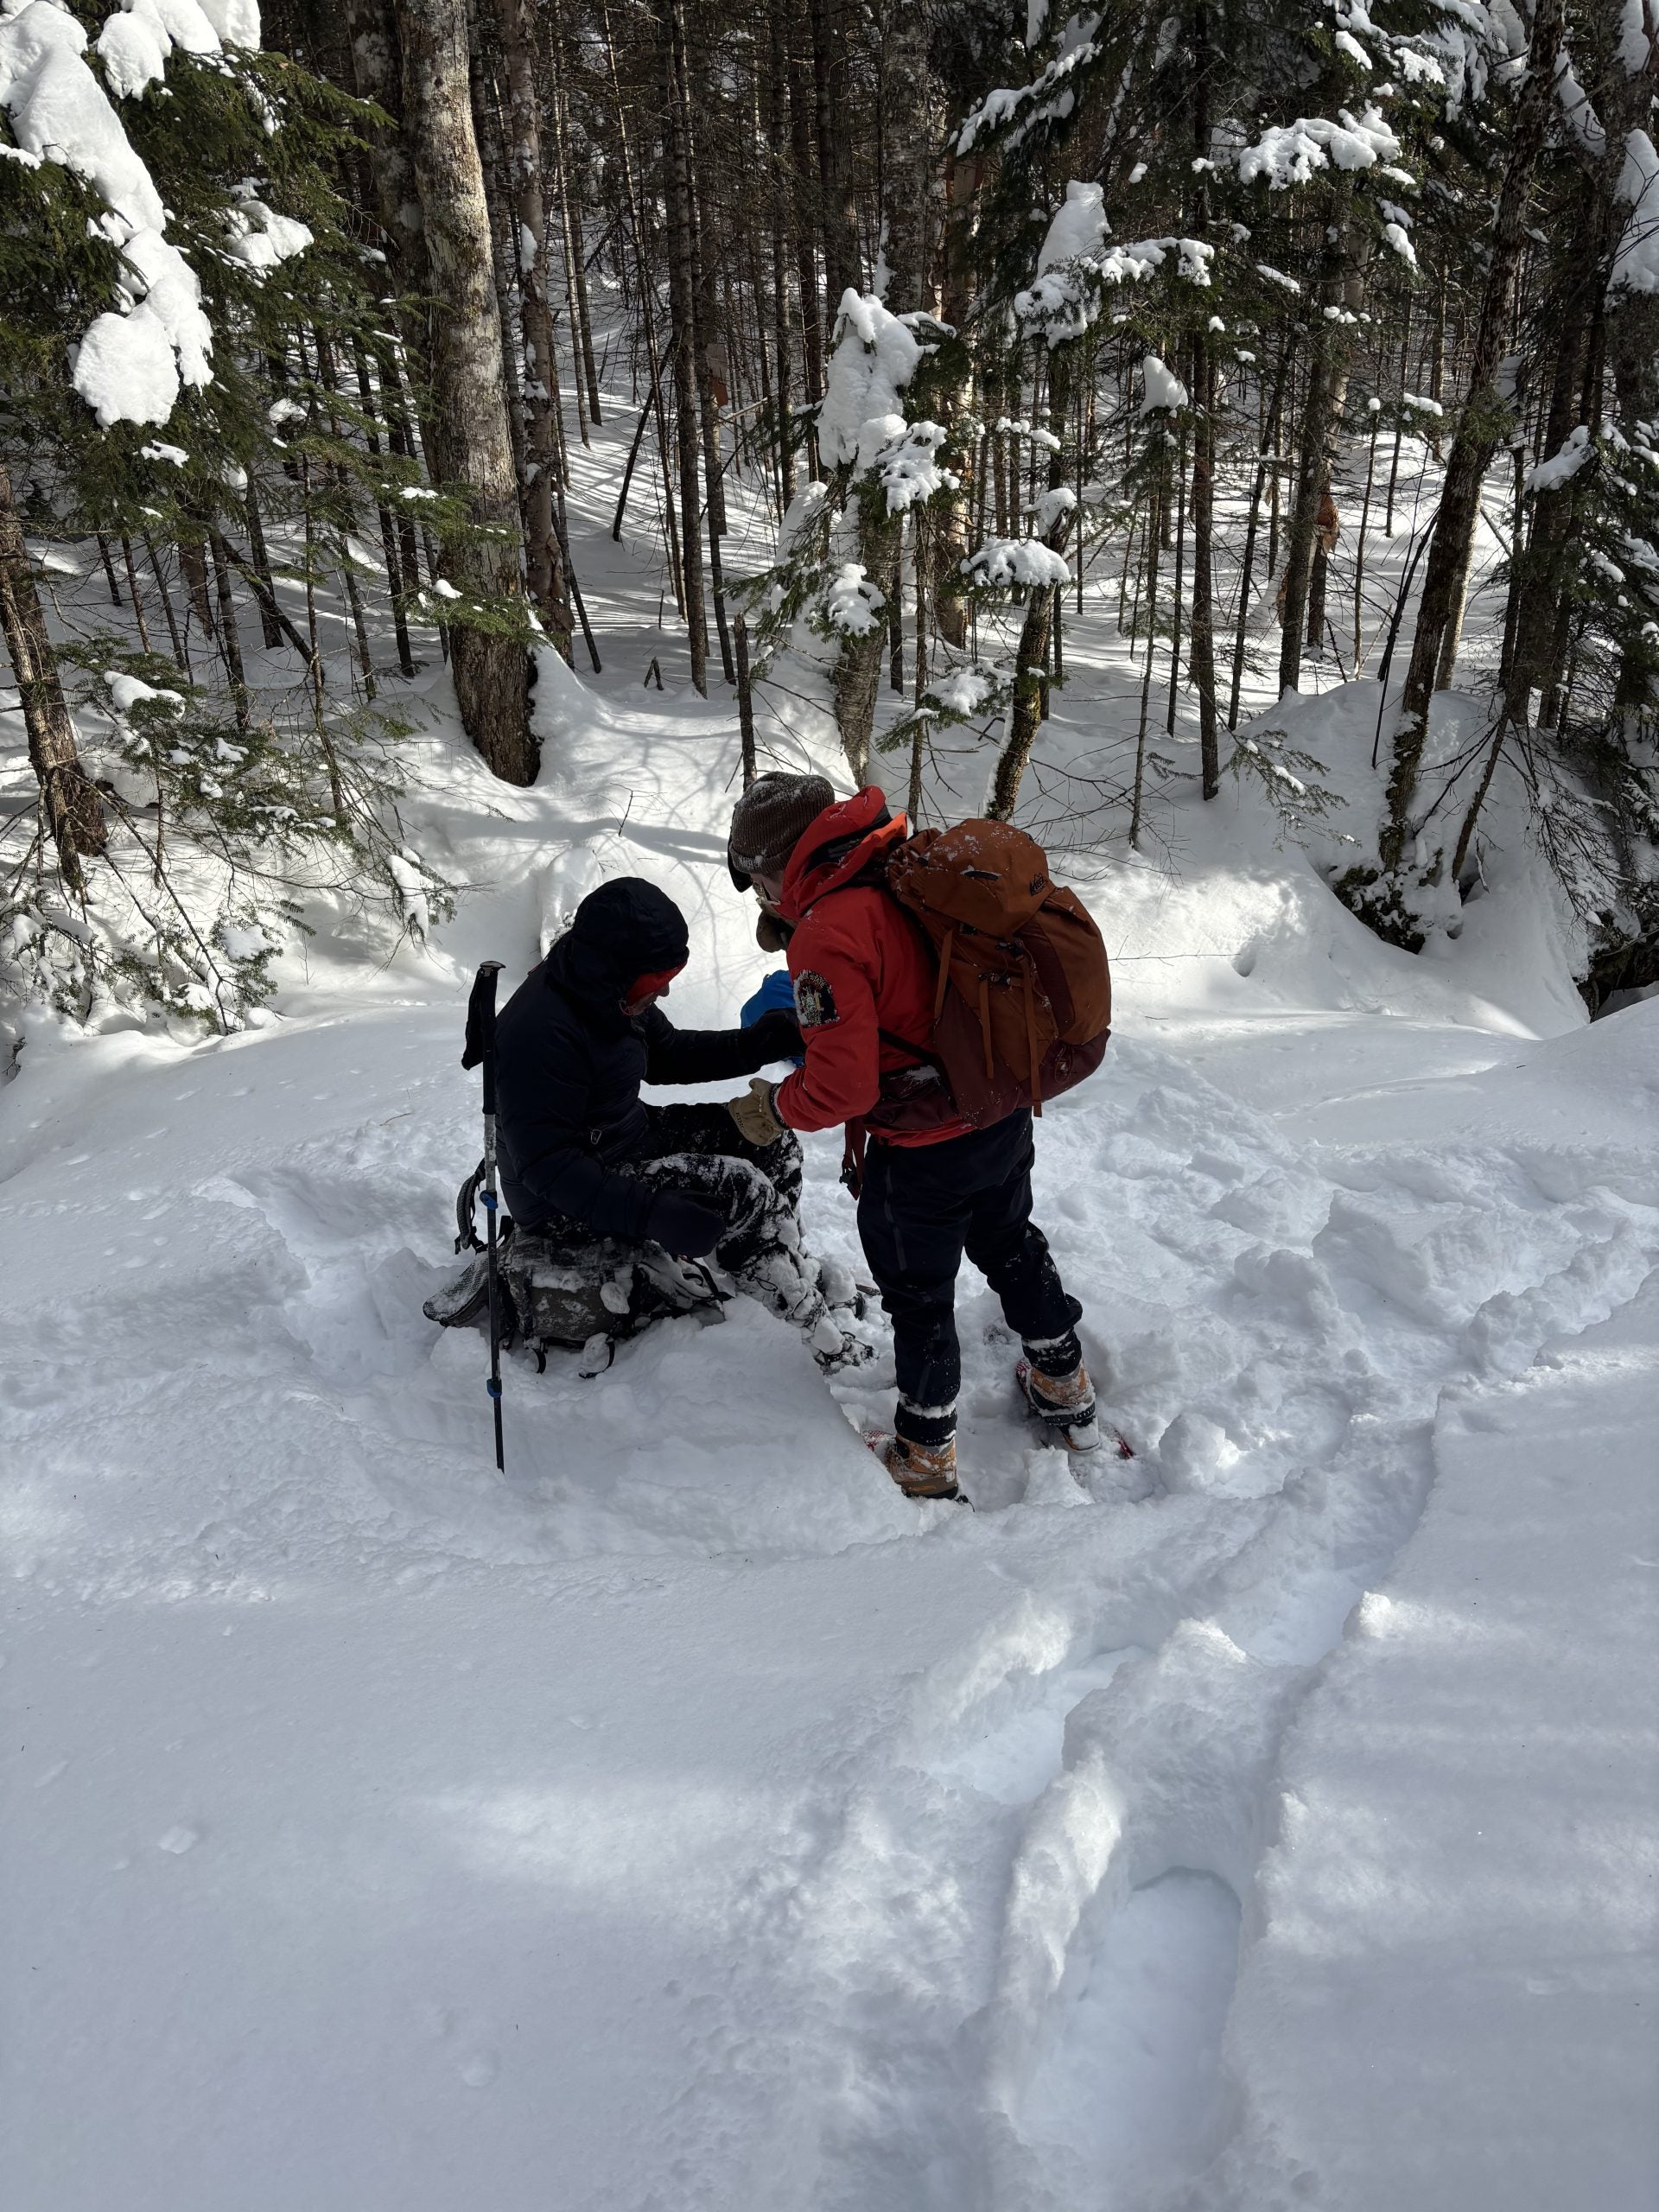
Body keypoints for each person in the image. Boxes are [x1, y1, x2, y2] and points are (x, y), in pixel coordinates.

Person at [724, 774, 1096, 1501]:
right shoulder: (902, 864)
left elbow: (843, 1089)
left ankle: (925, 1455)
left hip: (923, 1151)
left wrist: (775, 1106)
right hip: (996, 1112)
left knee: (921, 1300)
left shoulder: (828, 931)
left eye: (758, 884)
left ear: (775, 867)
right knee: (1010, 1243)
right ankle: (1064, 1384)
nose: (762, 900)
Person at [493, 876, 856, 1363]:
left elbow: (667, 1054)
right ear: (619, 970)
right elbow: (548, 1168)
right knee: (739, 1188)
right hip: (562, 1203)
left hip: (623, 1141)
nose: (663, 992)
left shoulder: (608, 993)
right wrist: (651, 1212)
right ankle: (822, 1337)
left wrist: (758, 1043)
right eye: (655, 982)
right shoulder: (539, 1032)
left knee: (768, 1137)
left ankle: (781, 1266)